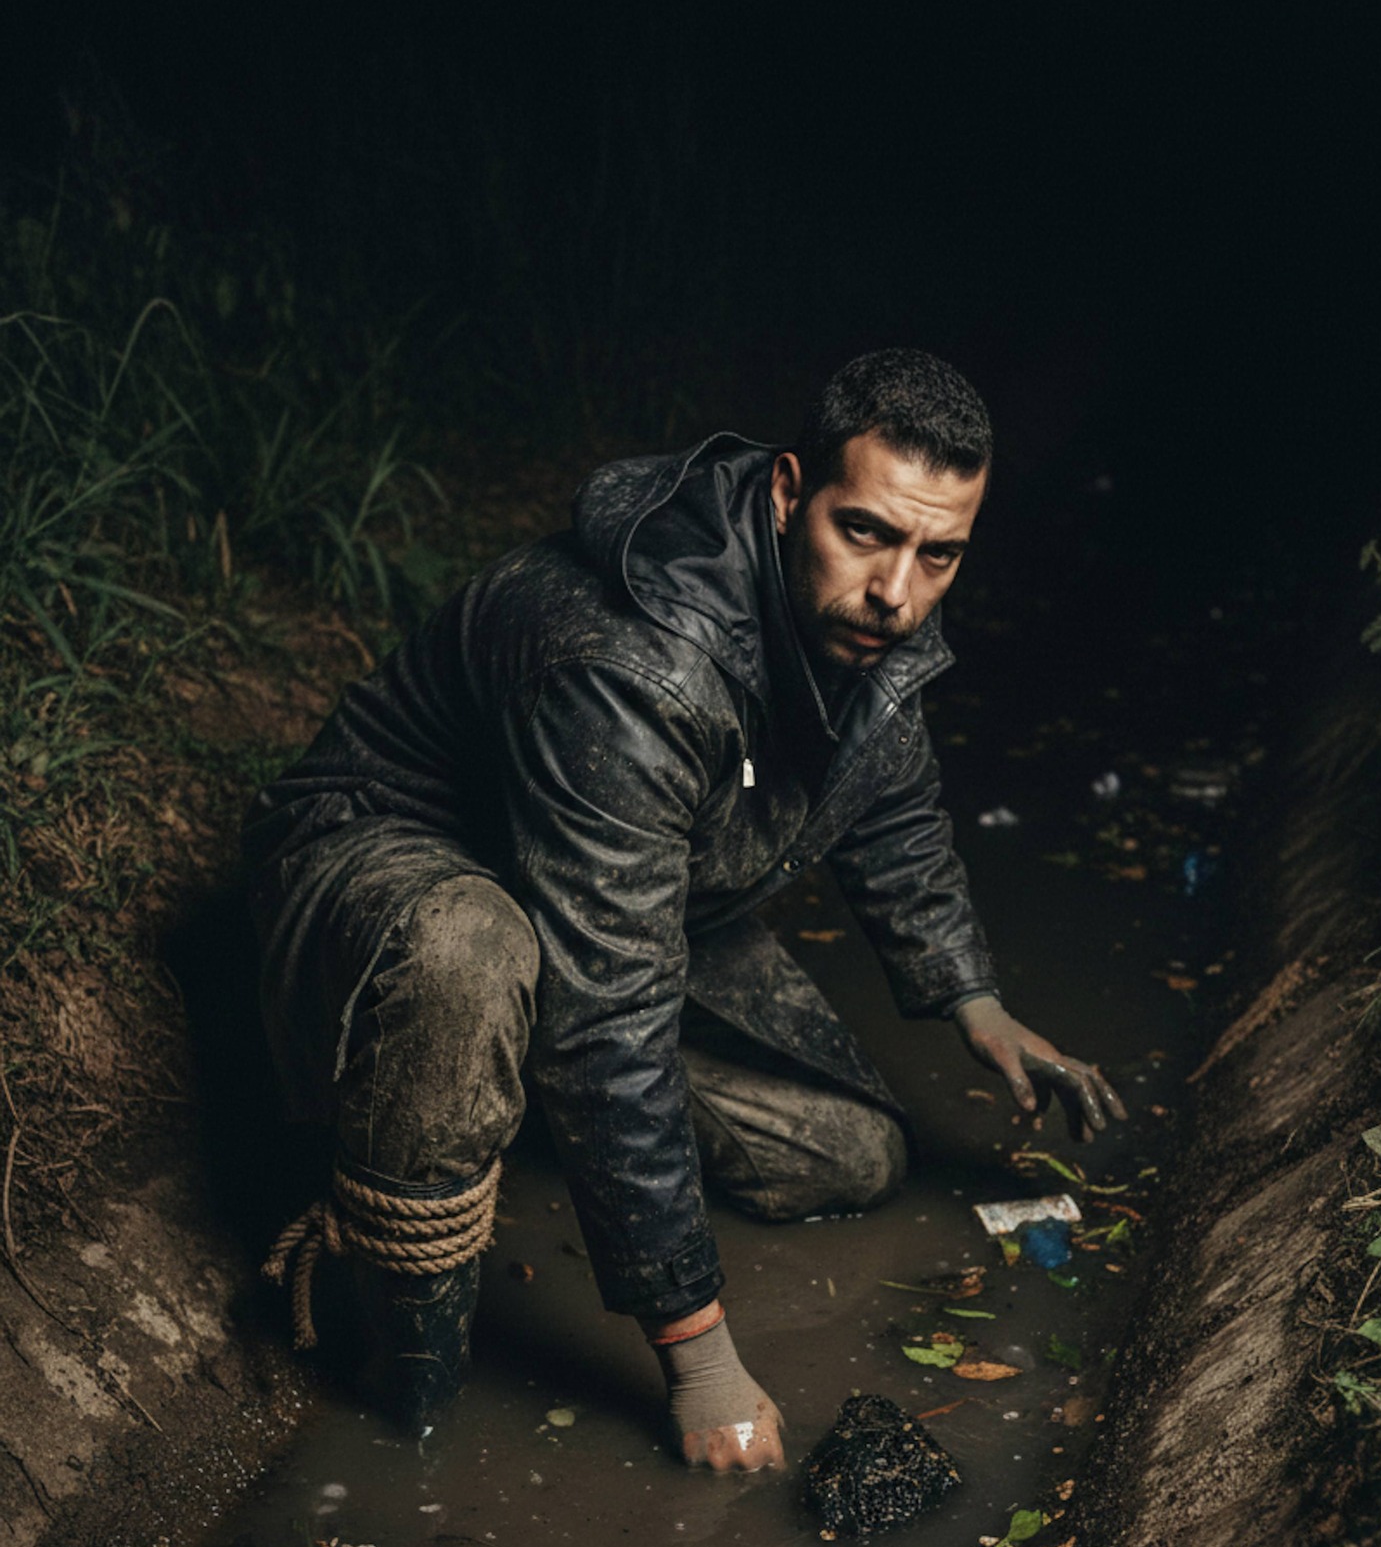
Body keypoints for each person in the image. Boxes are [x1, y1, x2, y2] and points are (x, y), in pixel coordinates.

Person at [244, 349, 1125, 1467]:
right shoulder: (631, 665)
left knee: (848, 1153)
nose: (897, 591)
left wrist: (974, 1000)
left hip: (616, 887)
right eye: (865, 532)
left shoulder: (858, 620)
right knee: (479, 954)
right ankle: (396, 1357)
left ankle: (512, 1093)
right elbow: (609, 1014)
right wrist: (699, 1354)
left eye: (937, 553)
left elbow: (889, 800)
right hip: (390, 866)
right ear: (785, 490)